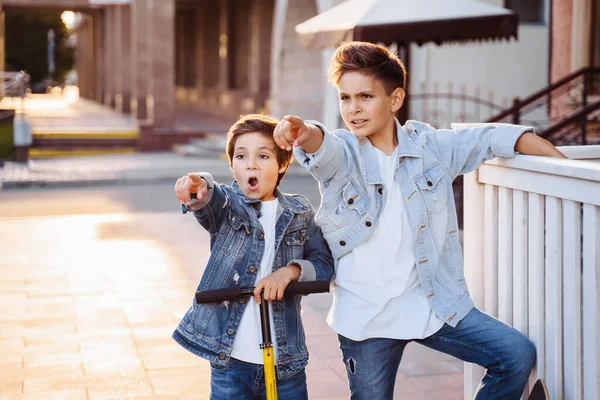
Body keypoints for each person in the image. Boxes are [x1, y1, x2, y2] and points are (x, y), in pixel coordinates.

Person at [273, 41, 567, 400]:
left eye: (365, 96)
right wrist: (304, 132)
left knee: (516, 354)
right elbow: (321, 148)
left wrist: (565, 172)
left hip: (431, 304)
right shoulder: (344, 153)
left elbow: (501, 138)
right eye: (345, 98)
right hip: (366, 319)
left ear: (395, 100)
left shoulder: (432, 148)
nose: (353, 109)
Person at [172, 113, 334, 400]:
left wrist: (290, 272)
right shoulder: (229, 208)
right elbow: (211, 197)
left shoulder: (300, 212)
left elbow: (323, 266)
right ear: (232, 165)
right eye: (241, 156)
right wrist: (198, 186)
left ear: (283, 162)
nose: (251, 164)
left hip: (286, 362)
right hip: (231, 361)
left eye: (262, 156)